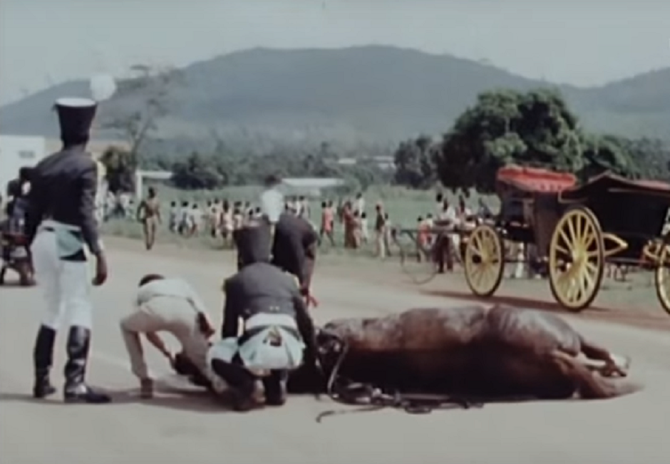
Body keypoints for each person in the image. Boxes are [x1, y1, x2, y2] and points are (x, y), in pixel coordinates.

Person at [25, 97, 110, 403]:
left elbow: (31, 213)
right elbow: (85, 213)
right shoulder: (87, 165)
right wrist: (99, 251)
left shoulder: (44, 165)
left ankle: (41, 380)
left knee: (51, 308)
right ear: (86, 131)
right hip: (69, 239)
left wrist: (27, 245)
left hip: (42, 240)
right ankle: (75, 383)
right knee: (79, 307)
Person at [210, 221, 319, 411]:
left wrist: (238, 365)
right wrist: (311, 359)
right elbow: (306, 323)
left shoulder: (236, 281)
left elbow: (230, 329)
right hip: (291, 352)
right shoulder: (287, 279)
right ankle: (275, 386)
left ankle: (247, 385)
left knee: (216, 355)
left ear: (242, 254)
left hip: (260, 344)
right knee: (275, 340)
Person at [119, 274, 220, 398]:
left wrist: (167, 352)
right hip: (186, 313)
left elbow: (149, 333)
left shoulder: (141, 291)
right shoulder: (180, 283)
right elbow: (204, 315)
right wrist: (192, 348)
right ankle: (223, 386)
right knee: (203, 363)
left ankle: (144, 377)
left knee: (126, 326)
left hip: (155, 309)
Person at [271, 212, 319, 298]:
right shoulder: (284, 228)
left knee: (305, 263)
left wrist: (303, 282)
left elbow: (299, 256)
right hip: (297, 231)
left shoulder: (285, 229)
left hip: (305, 234)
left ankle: (304, 286)